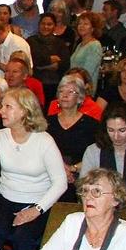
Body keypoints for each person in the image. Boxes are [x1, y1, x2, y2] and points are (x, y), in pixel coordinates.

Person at [0, 87, 66, 250]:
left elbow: (61, 182)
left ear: (24, 110)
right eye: (2, 106)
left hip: (37, 201)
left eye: (8, 106)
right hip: (5, 199)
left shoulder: (44, 141)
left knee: (22, 239)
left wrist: (36, 210)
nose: (1, 111)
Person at [46, 74, 100, 203]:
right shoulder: (46, 123)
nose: (64, 95)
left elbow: (96, 155)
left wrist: (73, 169)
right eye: (61, 91)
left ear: (80, 97)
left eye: (70, 92)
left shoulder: (91, 124)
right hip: (49, 177)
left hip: (80, 177)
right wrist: (61, 168)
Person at [70, 12, 104, 90]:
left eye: (85, 24)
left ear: (93, 28)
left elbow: (87, 72)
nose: (81, 26)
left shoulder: (95, 45)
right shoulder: (80, 45)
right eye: (80, 23)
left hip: (84, 88)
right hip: (73, 85)